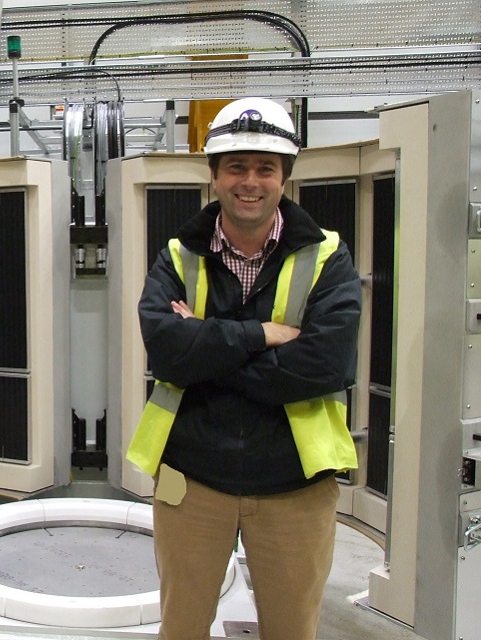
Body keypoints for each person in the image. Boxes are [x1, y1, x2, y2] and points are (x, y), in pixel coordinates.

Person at [127, 97, 361, 640]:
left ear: (284, 180)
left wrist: (205, 349)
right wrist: (261, 336)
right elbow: (164, 351)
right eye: (236, 167)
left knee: (292, 630)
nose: (249, 181)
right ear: (214, 177)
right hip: (194, 480)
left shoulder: (327, 258)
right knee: (181, 629)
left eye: (264, 168)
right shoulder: (180, 255)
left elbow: (323, 365)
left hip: (293, 485)